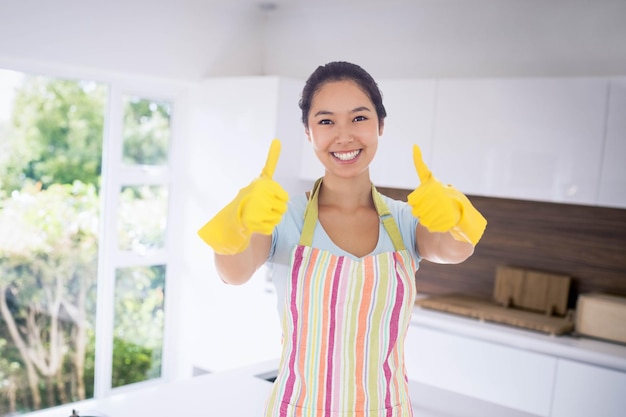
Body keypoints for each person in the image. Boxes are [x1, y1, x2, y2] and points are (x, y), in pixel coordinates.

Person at [198, 61, 487, 417]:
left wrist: (457, 217)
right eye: (326, 121)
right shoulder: (283, 218)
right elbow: (233, 273)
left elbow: (455, 249)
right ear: (308, 132)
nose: (344, 135)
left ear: (381, 125)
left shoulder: (405, 222)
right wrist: (237, 224)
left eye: (359, 118)